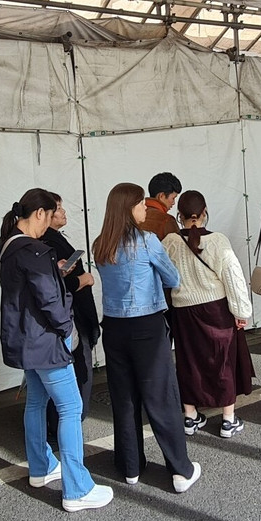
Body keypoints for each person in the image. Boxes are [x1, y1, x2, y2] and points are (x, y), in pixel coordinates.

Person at [0, 189, 113, 512]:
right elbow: (49, 301)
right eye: (52, 213)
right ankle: (77, 488)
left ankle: (41, 467)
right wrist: (65, 328)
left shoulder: (7, 247)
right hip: (46, 341)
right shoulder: (34, 251)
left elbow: (32, 290)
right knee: (71, 408)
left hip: (23, 341)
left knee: (36, 402)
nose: (52, 223)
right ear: (40, 214)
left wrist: (54, 273)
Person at [93, 183, 200, 492]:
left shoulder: (101, 243)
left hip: (113, 327)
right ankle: (180, 470)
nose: (145, 209)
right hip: (147, 327)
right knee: (161, 398)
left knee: (124, 398)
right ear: (129, 208)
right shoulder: (148, 241)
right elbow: (173, 278)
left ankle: (130, 467)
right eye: (141, 204)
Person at [161, 190, 255, 439]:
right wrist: (241, 311)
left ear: (179, 215)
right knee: (222, 361)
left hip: (183, 311)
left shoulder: (170, 241)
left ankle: (191, 417)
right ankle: (227, 419)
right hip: (216, 309)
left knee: (188, 361)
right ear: (204, 213)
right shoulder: (217, 241)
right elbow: (232, 277)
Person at [41, 192, 99, 427]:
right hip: (71, 316)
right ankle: (69, 421)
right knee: (78, 369)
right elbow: (54, 285)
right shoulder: (47, 242)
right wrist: (82, 280)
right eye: (58, 208)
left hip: (69, 315)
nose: (63, 212)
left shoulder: (51, 239)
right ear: (42, 213)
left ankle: (62, 421)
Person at [141, 171, 182, 240]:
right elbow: (177, 248)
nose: (173, 203)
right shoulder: (167, 220)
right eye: (173, 198)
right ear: (161, 196)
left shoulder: (133, 215)